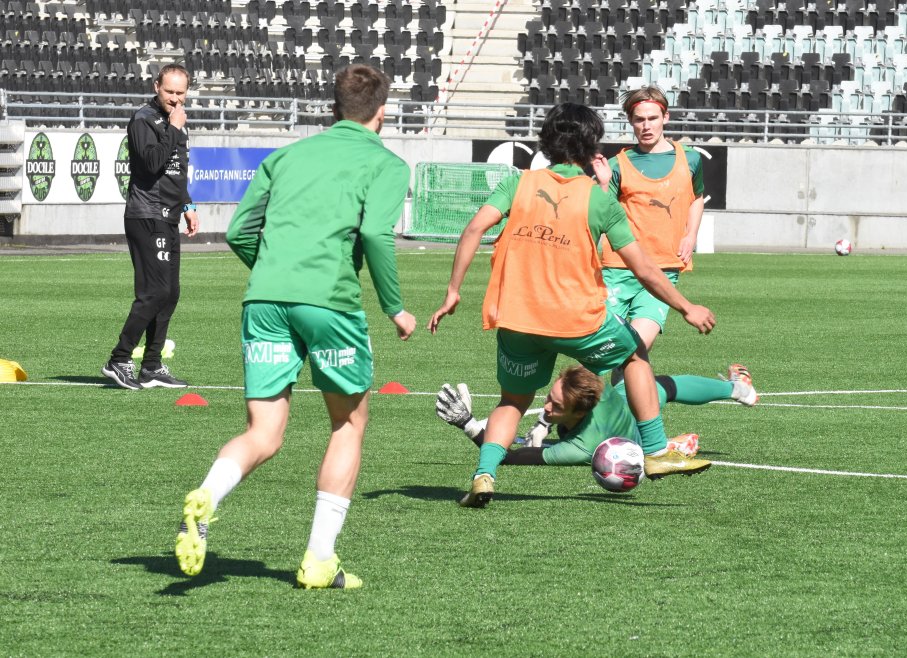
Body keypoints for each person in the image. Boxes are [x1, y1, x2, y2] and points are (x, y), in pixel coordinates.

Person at [173, 64, 416, 590]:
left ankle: (209, 493)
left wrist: (275, 273)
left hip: (264, 299)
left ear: (333, 108)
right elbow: (376, 234)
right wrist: (395, 307)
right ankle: (319, 561)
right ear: (382, 112)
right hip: (329, 301)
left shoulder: (285, 156)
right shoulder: (386, 164)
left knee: (263, 433)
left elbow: (239, 231)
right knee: (347, 425)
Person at [428, 102, 716, 509]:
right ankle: (654, 451)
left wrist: (453, 292)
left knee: (513, 401)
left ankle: (484, 474)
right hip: (577, 318)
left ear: (545, 142)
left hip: (517, 316)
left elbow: (474, 228)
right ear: (591, 146)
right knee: (634, 354)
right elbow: (645, 269)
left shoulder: (518, 183)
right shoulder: (598, 199)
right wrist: (686, 307)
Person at [436, 364, 758, 468]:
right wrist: (544, 423)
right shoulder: (594, 387)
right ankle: (736, 388)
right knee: (657, 386)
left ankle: (664, 447)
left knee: (654, 385)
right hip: (621, 400)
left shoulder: (579, 449)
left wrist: (467, 424)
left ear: (580, 410)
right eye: (549, 398)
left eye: (555, 407)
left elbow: (507, 457)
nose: (546, 407)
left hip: (635, 430)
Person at [102, 63, 199, 390]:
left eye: (180, 93)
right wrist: (173, 128)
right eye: (169, 91)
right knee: (154, 291)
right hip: (146, 214)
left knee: (170, 293)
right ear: (156, 86)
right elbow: (152, 163)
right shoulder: (144, 119)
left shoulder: (177, 121)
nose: (175, 98)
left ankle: (152, 366)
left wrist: (188, 205)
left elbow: (175, 172)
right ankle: (119, 359)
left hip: (169, 215)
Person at [593, 86, 706, 354]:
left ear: (665, 117)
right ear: (631, 122)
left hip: (663, 270)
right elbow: (599, 212)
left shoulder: (691, 159)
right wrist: (603, 185)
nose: (646, 126)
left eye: (653, 118)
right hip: (618, 269)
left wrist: (691, 235)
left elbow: (697, 198)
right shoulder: (617, 164)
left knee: (636, 349)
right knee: (601, 351)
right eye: (639, 119)